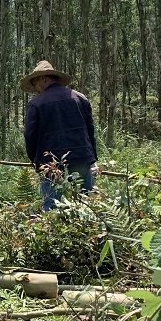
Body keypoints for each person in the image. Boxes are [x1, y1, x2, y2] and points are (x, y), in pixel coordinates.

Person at [20, 60, 99, 211]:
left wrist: (35, 160)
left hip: (50, 160)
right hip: (81, 153)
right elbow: (90, 130)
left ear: (43, 79)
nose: (35, 89)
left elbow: (30, 136)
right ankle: (90, 229)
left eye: (35, 83)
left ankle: (53, 231)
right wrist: (92, 157)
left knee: (52, 203)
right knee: (89, 201)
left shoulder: (36, 104)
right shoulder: (80, 98)